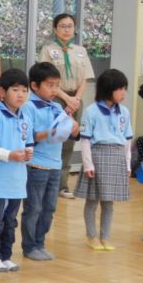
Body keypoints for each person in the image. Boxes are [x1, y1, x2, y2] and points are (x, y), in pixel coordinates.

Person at [21, 62, 79, 261]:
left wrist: (73, 128)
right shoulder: (28, 107)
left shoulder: (56, 106)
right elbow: (29, 137)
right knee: (33, 207)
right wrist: (51, 132)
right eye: (50, 85)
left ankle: (40, 242)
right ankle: (29, 246)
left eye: (57, 85)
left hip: (55, 165)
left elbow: (69, 133)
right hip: (36, 165)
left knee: (49, 208)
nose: (55, 90)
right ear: (35, 86)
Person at [73, 69, 133, 251]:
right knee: (92, 200)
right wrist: (88, 164)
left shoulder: (124, 112)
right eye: (120, 89)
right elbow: (85, 140)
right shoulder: (91, 112)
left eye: (125, 89)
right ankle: (91, 236)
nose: (123, 93)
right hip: (97, 156)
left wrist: (128, 163)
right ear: (108, 89)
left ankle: (105, 236)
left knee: (109, 202)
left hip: (117, 157)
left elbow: (127, 140)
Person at [39, 13, 95, 199]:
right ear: (55, 29)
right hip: (56, 98)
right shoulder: (48, 50)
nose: (66, 29)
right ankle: (49, 183)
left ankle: (62, 186)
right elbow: (47, 79)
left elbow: (85, 78)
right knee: (55, 140)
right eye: (62, 26)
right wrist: (65, 98)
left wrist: (75, 100)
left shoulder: (81, 51)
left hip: (76, 100)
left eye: (70, 26)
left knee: (69, 143)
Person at [0, 69, 34, 272]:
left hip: (17, 181)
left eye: (24, 90)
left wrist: (28, 153)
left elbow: (28, 143)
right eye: (15, 89)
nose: (20, 94)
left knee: (11, 221)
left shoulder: (25, 118)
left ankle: (7, 255)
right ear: (2, 91)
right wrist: (8, 155)